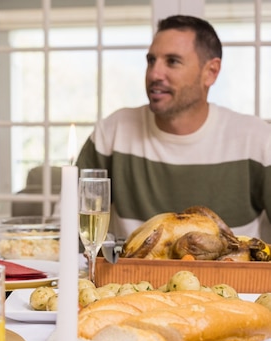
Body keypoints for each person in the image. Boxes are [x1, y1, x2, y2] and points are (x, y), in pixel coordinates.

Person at [76, 14, 271, 242]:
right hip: (129, 277)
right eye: (151, 61)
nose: (154, 74)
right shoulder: (112, 133)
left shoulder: (257, 140)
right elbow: (68, 229)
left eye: (172, 62)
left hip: (235, 278)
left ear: (211, 72)